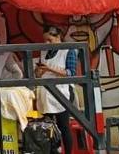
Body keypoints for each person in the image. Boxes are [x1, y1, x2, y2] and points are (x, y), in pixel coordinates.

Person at [36, 25, 75, 153]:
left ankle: (68, 151)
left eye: (49, 40)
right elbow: (38, 74)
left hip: (62, 91)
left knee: (63, 126)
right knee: (47, 126)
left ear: (58, 37)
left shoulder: (68, 50)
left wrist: (49, 68)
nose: (47, 43)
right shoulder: (44, 51)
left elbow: (70, 73)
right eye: (45, 40)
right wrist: (39, 70)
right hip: (45, 93)